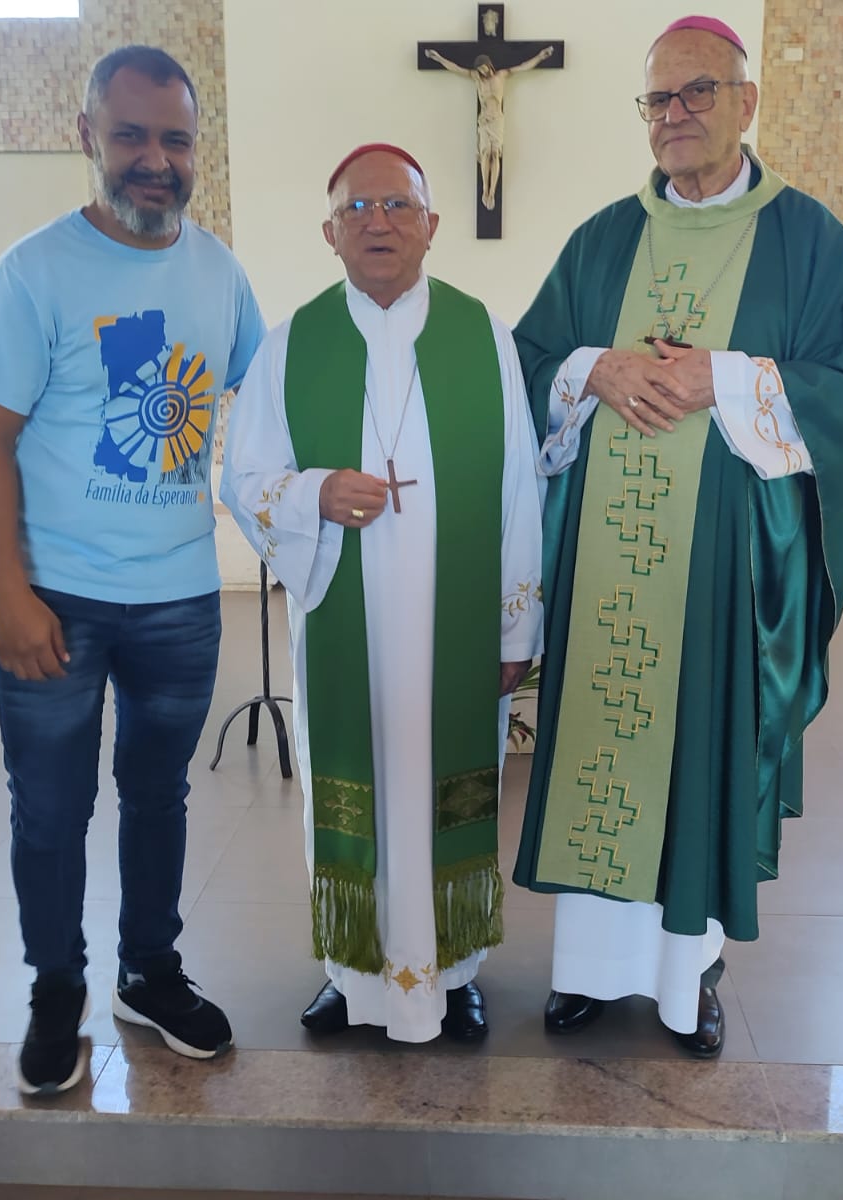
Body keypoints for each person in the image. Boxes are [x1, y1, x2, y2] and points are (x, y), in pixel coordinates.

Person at [510, 16, 843, 1058]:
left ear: (745, 102)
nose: (674, 114)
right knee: (601, 750)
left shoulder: (807, 241)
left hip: (722, 567)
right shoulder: (601, 240)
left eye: (697, 93)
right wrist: (593, 368)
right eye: (658, 99)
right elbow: (528, 360)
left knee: (699, 750)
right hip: (607, 569)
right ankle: (590, 971)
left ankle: (690, 979)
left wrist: (723, 378)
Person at [0, 45, 265, 1095]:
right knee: (50, 807)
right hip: (57, 596)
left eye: (176, 139)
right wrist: (7, 592)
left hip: (180, 596)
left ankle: (149, 970)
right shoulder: (33, 271)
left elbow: (269, 408)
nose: (155, 160)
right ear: (87, 135)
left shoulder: (221, 273)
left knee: (158, 794)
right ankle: (56, 986)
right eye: (131, 135)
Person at [221, 144, 543, 1044]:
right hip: (345, 617)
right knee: (353, 792)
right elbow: (243, 478)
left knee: (452, 791)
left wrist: (516, 625)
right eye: (356, 209)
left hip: (457, 625)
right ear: (329, 234)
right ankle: (353, 973)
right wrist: (314, 494)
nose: (378, 223)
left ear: (431, 225)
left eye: (398, 206)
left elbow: (521, 485)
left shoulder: (483, 336)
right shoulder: (292, 345)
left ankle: (457, 970)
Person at [423, 46, 555, 210]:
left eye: (484, 68)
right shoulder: (477, 79)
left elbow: (523, 67)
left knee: (495, 153)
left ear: (489, 65)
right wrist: (438, 58)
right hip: (485, 120)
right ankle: (485, 189)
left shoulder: (502, 75)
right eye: (480, 70)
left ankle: (492, 191)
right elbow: (456, 68)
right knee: (486, 154)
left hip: (497, 120)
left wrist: (540, 57)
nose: (483, 72)